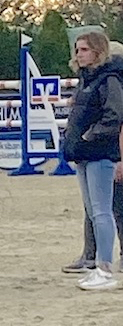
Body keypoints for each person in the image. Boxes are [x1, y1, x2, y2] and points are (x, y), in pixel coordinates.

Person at [62, 30, 123, 291]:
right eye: (78, 49)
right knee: (93, 210)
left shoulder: (109, 80)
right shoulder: (86, 80)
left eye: (84, 49)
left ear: (98, 51)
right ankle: (99, 264)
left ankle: (105, 268)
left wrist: (89, 136)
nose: (79, 54)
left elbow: (114, 115)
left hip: (99, 153)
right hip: (84, 154)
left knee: (102, 212)